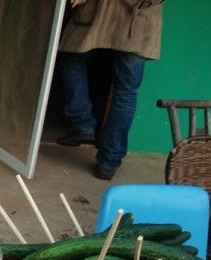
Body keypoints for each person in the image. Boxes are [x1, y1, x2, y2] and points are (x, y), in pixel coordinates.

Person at [55, 0, 164, 180]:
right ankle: (108, 162)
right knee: (126, 92)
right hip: (140, 18)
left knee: (72, 59)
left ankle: (82, 124)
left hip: (108, 11)